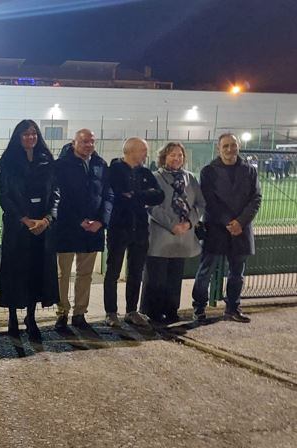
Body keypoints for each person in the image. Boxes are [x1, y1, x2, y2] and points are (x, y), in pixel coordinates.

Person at [0, 120, 60, 335]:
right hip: (18, 227)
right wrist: (24, 219)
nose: (30, 137)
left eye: (33, 133)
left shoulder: (47, 161)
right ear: (18, 137)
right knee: (15, 272)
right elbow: (5, 196)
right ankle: (13, 317)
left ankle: (31, 317)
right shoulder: (8, 162)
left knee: (36, 271)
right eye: (25, 134)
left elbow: (56, 194)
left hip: (42, 227)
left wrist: (47, 220)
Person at [191, 133, 262, 322]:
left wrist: (241, 222)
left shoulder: (249, 170)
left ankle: (232, 308)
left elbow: (256, 198)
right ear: (219, 148)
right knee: (205, 271)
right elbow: (208, 200)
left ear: (238, 146)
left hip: (241, 229)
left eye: (233, 145)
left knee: (237, 273)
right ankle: (199, 308)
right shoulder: (208, 171)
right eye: (225, 146)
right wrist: (229, 222)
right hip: (216, 228)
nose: (230, 149)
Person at [53, 129, 114, 330]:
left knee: (85, 274)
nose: (89, 145)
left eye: (92, 142)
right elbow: (59, 197)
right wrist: (78, 220)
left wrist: (101, 221)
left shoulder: (100, 164)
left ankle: (80, 314)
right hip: (67, 228)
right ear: (74, 143)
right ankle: (62, 313)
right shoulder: (61, 165)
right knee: (62, 274)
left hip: (93, 229)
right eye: (84, 141)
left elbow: (108, 195)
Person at [103, 138, 165, 328]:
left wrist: (135, 195)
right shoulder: (114, 170)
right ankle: (111, 312)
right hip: (119, 227)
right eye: (143, 150)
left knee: (136, 271)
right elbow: (117, 194)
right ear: (131, 151)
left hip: (140, 229)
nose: (146, 154)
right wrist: (142, 195)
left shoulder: (145, 172)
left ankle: (131, 311)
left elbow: (159, 196)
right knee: (113, 271)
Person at [140, 142, 204, 324]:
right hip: (161, 235)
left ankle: (171, 310)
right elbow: (151, 205)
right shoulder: (155, 177)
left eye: (180, 155)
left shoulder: (190, 178)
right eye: (172, 155)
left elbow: (200, 204)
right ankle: (152, 313)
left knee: (175, 277)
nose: (177, 158)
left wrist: (189, 223)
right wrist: (172, 225)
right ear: (164, 157)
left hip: (183, 236)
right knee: (156, 278)